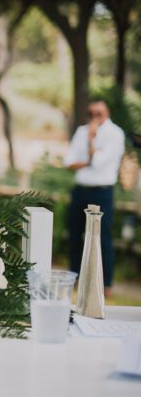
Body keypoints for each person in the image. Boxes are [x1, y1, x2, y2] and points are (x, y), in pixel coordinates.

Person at [64, 99, 125, 295]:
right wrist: (90, 158)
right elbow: (69, 162)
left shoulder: (115, 134)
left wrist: (91, 140)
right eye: (91, 113)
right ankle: (75, 277)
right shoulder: (81, 131)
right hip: (80, 190)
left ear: (107, 113)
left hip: (102, 191)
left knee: (102, 238)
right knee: (75, 235)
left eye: (98, 113)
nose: (94, 117)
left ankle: (105, 283)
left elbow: (98, 162)